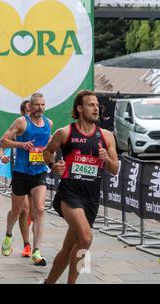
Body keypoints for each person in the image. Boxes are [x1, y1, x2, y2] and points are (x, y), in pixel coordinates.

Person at [43, 90, 119, 284]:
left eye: (97, 105)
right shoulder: (65, 133)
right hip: (69, 194)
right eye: (91, 105)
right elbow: (47, 152)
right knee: (85, 239)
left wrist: (107, 158)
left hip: (91, 198)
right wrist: (53, 166)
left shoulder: (106, 136)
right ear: (79, 108)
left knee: (70, 247)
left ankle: (48, 282)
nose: (96, 109)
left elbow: (115, 169)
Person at [0, 93, 53, 266]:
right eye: (37, 105)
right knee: (16, 212)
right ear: (30, 105)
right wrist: (21, 145)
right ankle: (8, 234)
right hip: (21, 172)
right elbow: (3, 142)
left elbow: (49, 141)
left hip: (39, 172)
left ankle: (36, 251)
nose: (40, 108)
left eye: (43, 105)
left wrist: (51, 154)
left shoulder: (49, 123)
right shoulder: (22, 122)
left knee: (39, 209)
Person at [0, 100, 33, 257]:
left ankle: (30, 240)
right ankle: (22, 243)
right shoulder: (19, 128)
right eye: (27, 111)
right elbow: (1, 146)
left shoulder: (41, 127)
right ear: (23, 113)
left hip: (37, 173)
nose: (31, 113)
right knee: (22, 210)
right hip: (20, 172)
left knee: (34, 211)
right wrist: (2, 156)